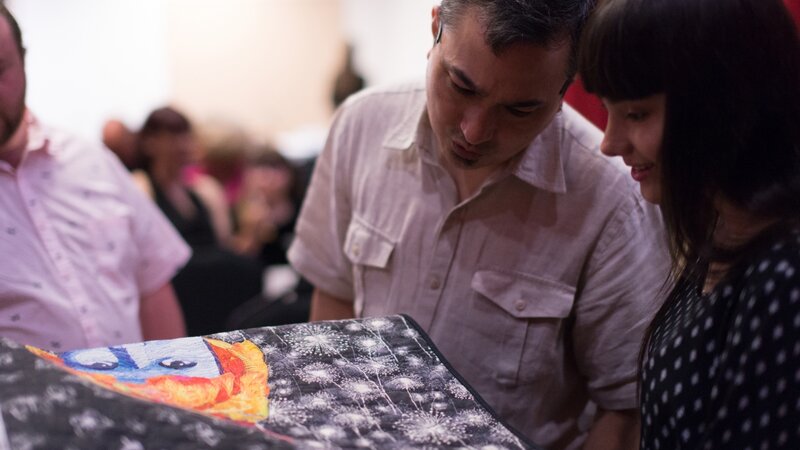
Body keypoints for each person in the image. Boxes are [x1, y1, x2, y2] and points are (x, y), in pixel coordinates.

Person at [287, 0, 670, 448]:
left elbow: (622, 412)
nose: (475, 131)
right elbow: (332, 301)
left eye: (520, 110)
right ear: (435, 29)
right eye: (461, 86)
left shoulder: (612, 202)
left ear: (566, 86)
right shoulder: (361, 125)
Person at [578, 0, 800, 448]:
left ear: (724, 102)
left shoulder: (784, 276)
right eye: (608, 111)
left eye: (636, 115)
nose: (609, 143)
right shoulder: (723, 230)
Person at [0, 5, 189, 352]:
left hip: (134, 399)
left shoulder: (92, 161)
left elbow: (151, 283)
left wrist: (176, 389)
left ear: (24, 62)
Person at [133, 107, 263, 336]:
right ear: (150, 142)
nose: (181, 143)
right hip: (179, 283)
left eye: (185, 134)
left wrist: (252, 231)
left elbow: (228, 246)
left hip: (211, 281)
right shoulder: (141, 187)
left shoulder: (205, 190)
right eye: (171, 136)